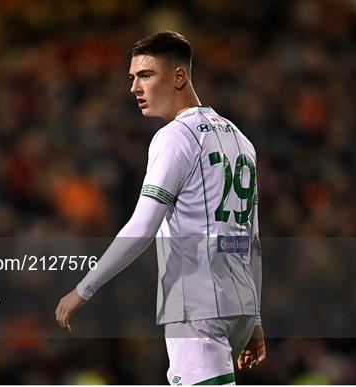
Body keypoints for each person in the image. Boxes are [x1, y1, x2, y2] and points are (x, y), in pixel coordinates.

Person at [56, 31, 265, 385]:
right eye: (132, 77)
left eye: (146, 75)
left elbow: (143, 226)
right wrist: (255, 317)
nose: (134, 88)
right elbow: (253, 238)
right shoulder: (239, 139)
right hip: (238, 307)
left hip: (196, 307)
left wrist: (84, 288)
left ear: (179, 76)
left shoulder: (174, 137)